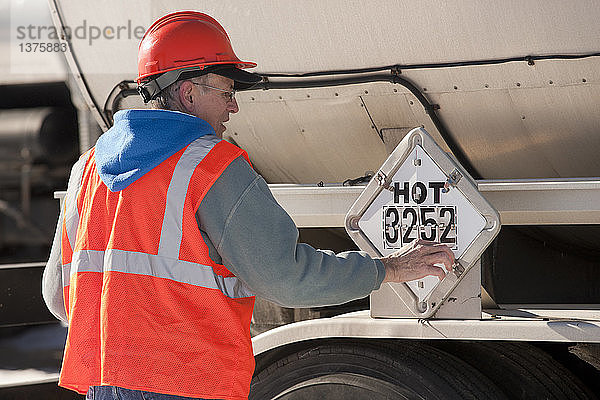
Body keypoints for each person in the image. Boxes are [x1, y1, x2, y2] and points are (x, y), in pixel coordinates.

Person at [43, 11, 455, 400]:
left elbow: (58, 296)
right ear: (188, 92)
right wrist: (388, 269)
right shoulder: (211, 165)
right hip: (188, 382)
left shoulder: (89, 167)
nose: (233, 106)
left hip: (103, 383)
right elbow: (285, 278)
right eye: (226, 91)